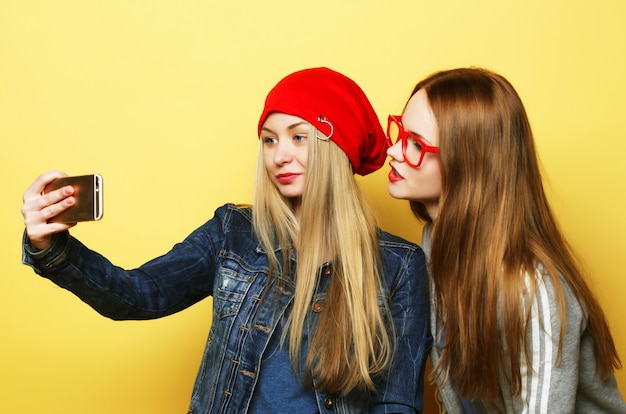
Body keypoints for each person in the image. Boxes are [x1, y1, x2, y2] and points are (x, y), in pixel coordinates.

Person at [21, 67, 431, 413]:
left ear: (336, 146)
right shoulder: (232, 233)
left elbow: (396, 403)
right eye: (269, 139)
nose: (278, 155)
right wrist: (52, 247)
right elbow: (139, 294)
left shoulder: (399, 265)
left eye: (298, 136)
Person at [385, 67, 626, 413]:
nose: (393, 150)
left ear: (468, 160)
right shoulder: (434, 246)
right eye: (400, 134)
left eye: (415, 143)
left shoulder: (532, 287)